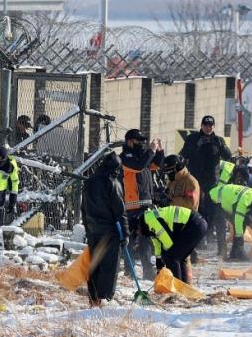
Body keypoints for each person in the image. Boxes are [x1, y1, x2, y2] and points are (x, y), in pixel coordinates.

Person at [81, 151, 128, 307]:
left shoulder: (89, 182)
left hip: (93, 230)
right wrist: (125, 234)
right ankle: (105, 298)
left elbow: (83, 208)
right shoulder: (113, 183)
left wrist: (88, 229)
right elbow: (120, 211)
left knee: (95, 264)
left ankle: (93, 297)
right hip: (110, 232)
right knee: (109, 265)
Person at [180, 115, 232, 253]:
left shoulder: (218, 140)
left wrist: (219, 144)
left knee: (217, 212)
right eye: (206, 125)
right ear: (202, 125)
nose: (208, 128)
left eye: (211, 125)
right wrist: (197, 146)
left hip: (213, 183)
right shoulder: (192, 138)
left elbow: (229, 156)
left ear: (214, 126)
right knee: (196, 211)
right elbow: (183, 155)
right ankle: (195, 245)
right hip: (195, 181)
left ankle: (221, 246)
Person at [120, 129, 165, 281]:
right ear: (130, 142)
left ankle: (148, 271)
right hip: (131, 208)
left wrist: (159, 151)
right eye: (138, 141)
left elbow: (156, 165)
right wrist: (151, 151)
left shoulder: (142, 157)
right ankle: (129, 271)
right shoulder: (126, 157)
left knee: (146, 240)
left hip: (145, 206)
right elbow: (139, 166)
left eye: (143, 141)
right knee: (131, 242)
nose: (142, 144)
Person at [139, 205, 207, 283]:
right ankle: (183, 287)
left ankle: (176, 288)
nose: (139, 233)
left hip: (195, 224)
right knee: (179, 257)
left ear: (140, 225)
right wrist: (159, 264)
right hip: (197, 223)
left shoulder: (152, 221)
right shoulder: (149, 222)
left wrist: (165, 260)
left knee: (172, 257)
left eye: (138, 230)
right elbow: (157, 244)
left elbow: (168, 242)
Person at [209, 183, 252, 260]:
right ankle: (222, 254)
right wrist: (240, 240)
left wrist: (251, 224)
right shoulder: (244, 201)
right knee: (221, 227)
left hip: (228, 200)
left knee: (243, 223)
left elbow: (245, 215)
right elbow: (238, 220)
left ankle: (235, 253)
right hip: (215, 199)